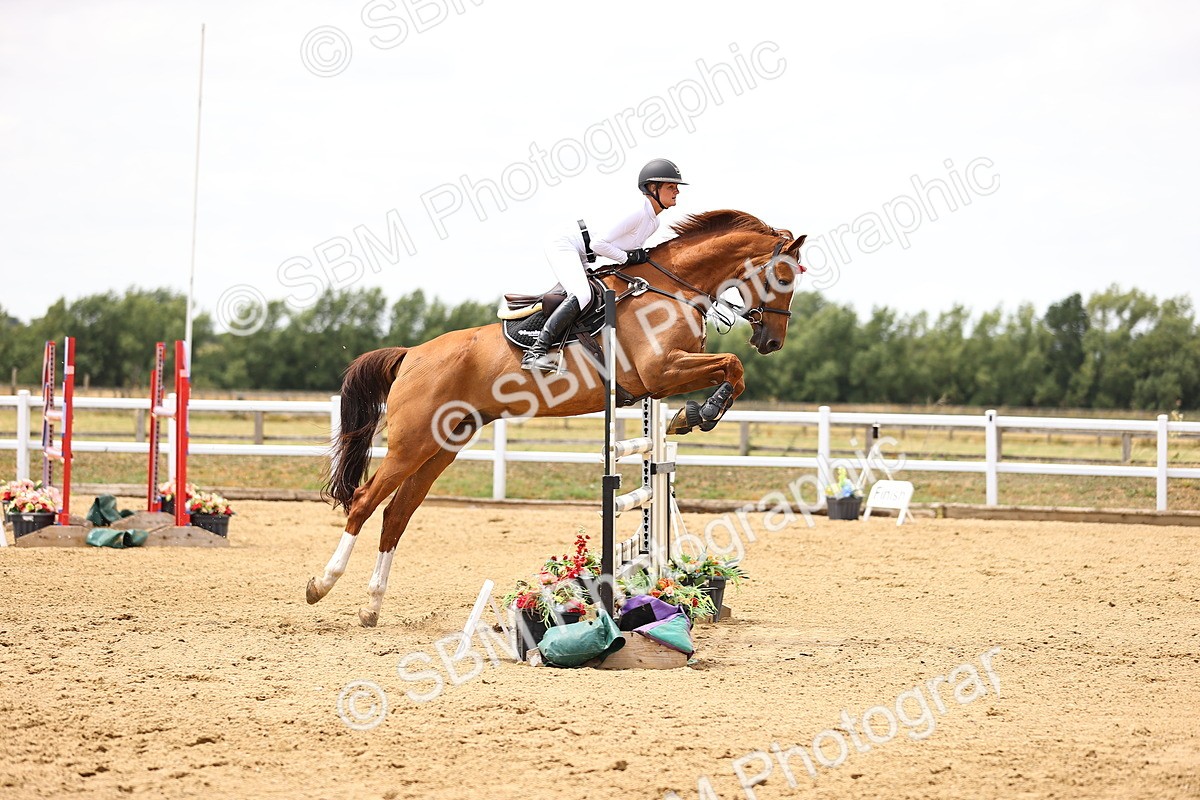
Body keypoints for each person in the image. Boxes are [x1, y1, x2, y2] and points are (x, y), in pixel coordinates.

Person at [520, 158, 687, 372]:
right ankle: (535, 352)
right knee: (583, 296)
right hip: (565, 244)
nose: (677, 192)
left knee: (595, 295)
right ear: (652, 188)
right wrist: (628, 258)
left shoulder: (653, 222)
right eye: (671, 186)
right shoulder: (638, 211)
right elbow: (600, 244)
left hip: (583, 252)